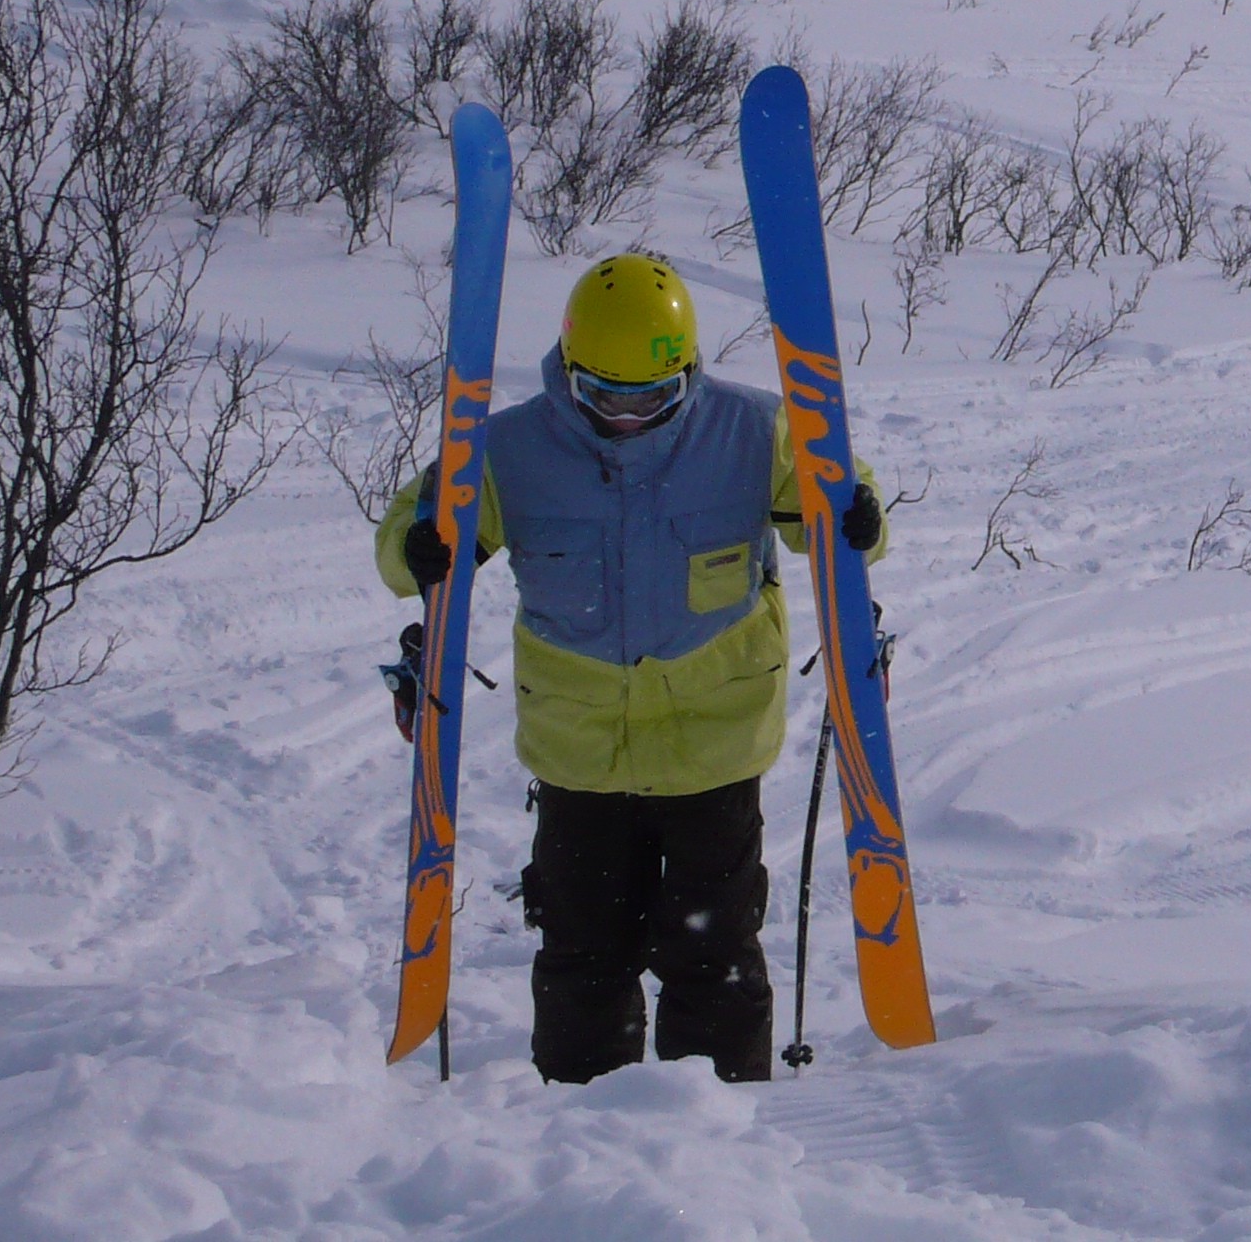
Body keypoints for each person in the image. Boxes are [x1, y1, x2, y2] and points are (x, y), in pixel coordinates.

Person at [375, 251, 884, 1083]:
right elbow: (404, 555)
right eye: (603, 397)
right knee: (583, 962)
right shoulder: (507, 450)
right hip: (581, 760)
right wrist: (418, 547)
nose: (626, 416)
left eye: (652, 397)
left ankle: (723, 1140)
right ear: (569, 372)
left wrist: (859, 519)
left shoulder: (756, 433)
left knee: (714, 959)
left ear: (688, 373)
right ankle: (585, 1146)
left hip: (714, 758)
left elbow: (845, 512)